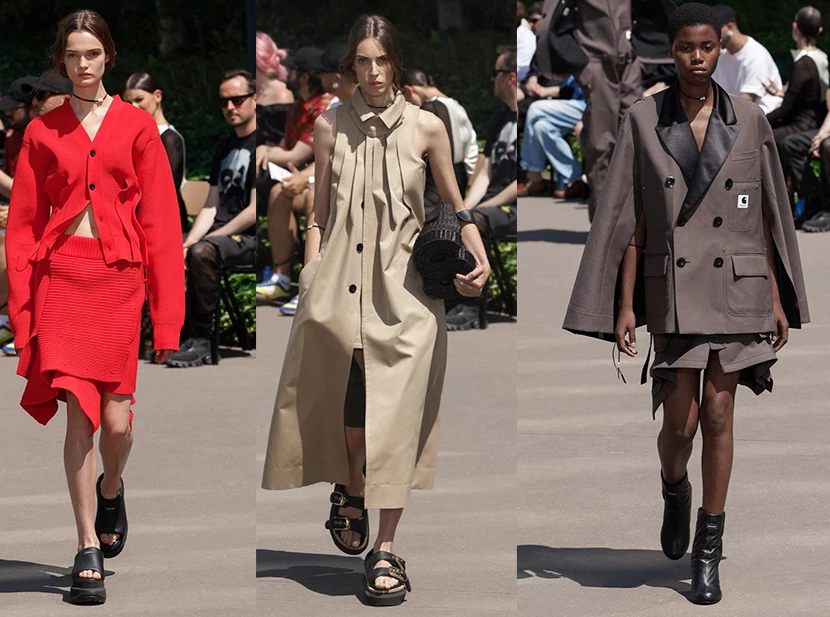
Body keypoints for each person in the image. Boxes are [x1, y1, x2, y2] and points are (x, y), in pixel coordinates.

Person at [562, 4, 809, 605]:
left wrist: (777, 297)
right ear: (668, 53)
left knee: (720, 417)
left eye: (705, 48)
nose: (696, 58)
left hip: (740, 291)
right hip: (673, 293)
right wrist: (624, 307)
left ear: (719, 50)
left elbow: (770, 219)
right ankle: (675, 487)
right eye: (684, 49)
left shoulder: (749, 119)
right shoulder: (644, 118)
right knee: (682, 425)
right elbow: (628, 219)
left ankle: (708, 548)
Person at [261, 14, 490, 606]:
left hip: (406, 291)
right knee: (353, 411)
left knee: (398, 417)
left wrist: (478, 255)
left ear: (395, 61)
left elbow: (456, 206)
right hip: (338, 286)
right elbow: (318, 214)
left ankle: (385, 550)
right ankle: (351, 483)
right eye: (361, 61)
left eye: (380, 60)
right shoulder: (331, 124)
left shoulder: (427, 127)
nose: (372, 72)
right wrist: (311, 273)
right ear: (350, 65)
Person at [4, 10, 184, 604]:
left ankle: (112, 487)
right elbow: (25, 228)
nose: (83, 65)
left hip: (117, 282)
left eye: (92, 54)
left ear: (109, 55)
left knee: (116, 421)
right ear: (62, 61)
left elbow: (161, 224)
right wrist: (22, 308)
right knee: (79, 414)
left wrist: (167, 318)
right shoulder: (42, 131)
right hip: (61, 278)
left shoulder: (137, 127)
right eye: (72, 56)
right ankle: (86, 546)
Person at [166, 70, 257, 367]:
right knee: (173, 248)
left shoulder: (263, 145)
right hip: (221, 235)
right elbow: (211, 205)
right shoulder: (224, 146)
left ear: (255, 100)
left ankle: (202, 340)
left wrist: (205, 241)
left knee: (202, 252)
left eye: (238, 100)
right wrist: (188, 241)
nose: (231, 107)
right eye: (225, 102)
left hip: (250, 238)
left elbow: (254, 211)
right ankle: (168, 335)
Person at [536, 0, 642, 222]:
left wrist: (644, 56)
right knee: (601, 146)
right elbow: (552, 25)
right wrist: (583, 69)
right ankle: (604, 227)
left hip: (630, 65)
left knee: (637, 142)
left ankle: (633, 223)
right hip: (597, 66)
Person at [446, 45, 517, 331]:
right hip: (491, 204)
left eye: (496, 73)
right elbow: (486, 173)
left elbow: (520, 183)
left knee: (473, 221)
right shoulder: (501, 119)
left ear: (511, 77)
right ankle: (449, 298)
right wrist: (463, 208)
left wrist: (480, 210)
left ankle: (471, 307)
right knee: (453, 218)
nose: (492, 80)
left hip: (514, 207)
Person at [255, 47, 332, 304]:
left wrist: (265, 151)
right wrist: (266, 149)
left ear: (306, 75)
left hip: (325, 182)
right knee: (279, 191)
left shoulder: (324, 106)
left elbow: (296, 156)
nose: (286, 72)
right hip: (306, 179)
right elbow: (287, 149)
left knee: (313, 199)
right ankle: (281, 277)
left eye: (294, 69)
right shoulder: (298, 106)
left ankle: (312, 284)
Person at [400, 67, 479, 212]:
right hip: (459, 179)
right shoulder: (457, 106)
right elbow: (472, 147)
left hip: (435, 188)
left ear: (408, 90)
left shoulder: (430, 109)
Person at [124, 72, 190, 233]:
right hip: (136, 219)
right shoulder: (130, 137)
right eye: (128, 102)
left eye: (139, 100)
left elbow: (167, 189)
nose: (134, 107)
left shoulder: (170, 139)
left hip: (165, 224)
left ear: (157, 96)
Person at [766, 8, 828, 151]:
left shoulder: (802, 64)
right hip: (817, 120)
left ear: (795, 26)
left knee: (760, 137)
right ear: (819, 30)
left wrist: (760, 119)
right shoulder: (822, 57)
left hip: (801, 125)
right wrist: (783, 91)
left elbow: (785, 110)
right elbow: (814, 91)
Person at [711, 4, 783, 114]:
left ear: (730, 27)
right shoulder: (720, 56)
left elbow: (746, 102)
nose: (711, 36)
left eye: (716, 31)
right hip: (732, 117)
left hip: (763, 119)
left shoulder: (755, 55)